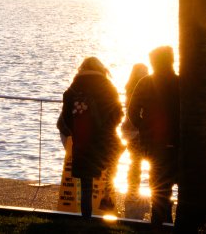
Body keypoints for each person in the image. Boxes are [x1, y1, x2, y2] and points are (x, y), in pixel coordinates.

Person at [59, 56, 122, 218]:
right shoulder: (108, 87)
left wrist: (75, 130)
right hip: (104, 141)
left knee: (86, 184)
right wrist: (107, 129)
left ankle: (86, 218)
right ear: (101, 69)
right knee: (109, 171)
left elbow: (66, 117)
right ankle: (107, 211)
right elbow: (118, 114)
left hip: (82, 140)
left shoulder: (73, 90)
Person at [128, 46, 180, 226]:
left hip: (153, 143)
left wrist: (143, 127)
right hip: (176, 142)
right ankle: (169, 219)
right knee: (174, 183)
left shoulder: (145, 83)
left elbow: (132, 111)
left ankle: (159, 220)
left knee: (157, 184)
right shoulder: (180, 83)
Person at [122, 62, 149, 194]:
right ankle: (133, 190)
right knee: (137, 161)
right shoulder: (140, 89)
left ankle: (132, 189)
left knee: (135, 161)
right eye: (143, 71)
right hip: (136, 129)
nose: (146, 73)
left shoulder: (129, 89)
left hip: (130, 129)